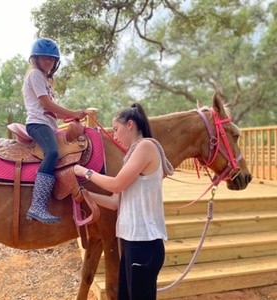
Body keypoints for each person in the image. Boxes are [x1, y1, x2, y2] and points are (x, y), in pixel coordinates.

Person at [74, 103, 174, 299]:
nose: (115, 135)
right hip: (131, 242)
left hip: (144, 243)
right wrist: (83, 193)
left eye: (116, 129)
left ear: (130, 125)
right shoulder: (133, 155)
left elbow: (116, 185)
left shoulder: (146, 146)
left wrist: (85, 172)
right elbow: (114, 202)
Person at [24, 37, 87, 223]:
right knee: (52, 152)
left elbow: (52, 111)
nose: (48, 62)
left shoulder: (45, 79)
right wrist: (72, 112)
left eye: (51, 59)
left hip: (48, 124)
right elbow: (46, 104)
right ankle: (37, 205)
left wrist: (71, 116)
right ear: (35, 59)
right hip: (37, 124)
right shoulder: (35, 75)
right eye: (44, 58)